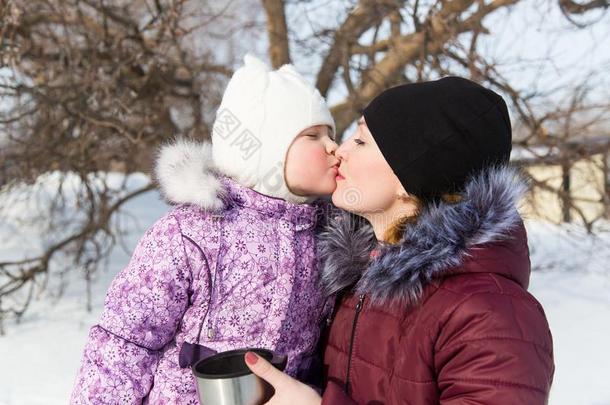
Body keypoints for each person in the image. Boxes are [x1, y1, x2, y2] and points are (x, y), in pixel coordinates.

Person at [245, 77, 555, 404]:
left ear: (409, 180)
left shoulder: (492, 314)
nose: (341, 149)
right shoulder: (354, 285)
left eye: (361, 141)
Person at [70, 54, 339, 404]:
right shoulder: (193, 233)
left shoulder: (329, 239)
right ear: (269, 150)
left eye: (331, 134)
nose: (333, 146)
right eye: (313, 135)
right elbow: (125, 340)